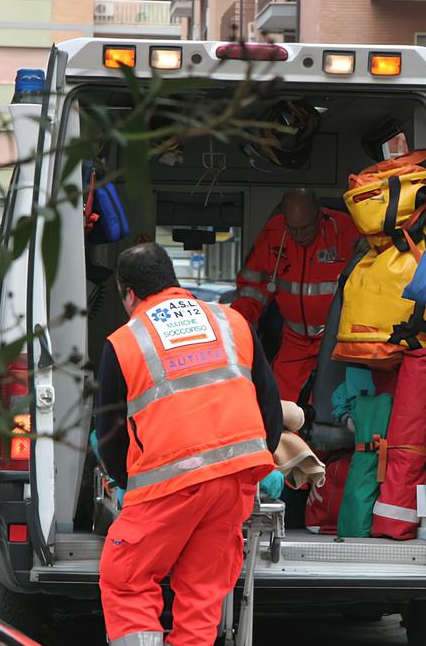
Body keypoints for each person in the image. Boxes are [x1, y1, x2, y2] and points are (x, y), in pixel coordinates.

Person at [94, 243, 283, 646]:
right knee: (201, 595)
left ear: (129, 293)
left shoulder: (125, 342)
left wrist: (128, 483)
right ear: (172, 279)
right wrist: (251, 469)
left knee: (125, 578)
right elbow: (269, 404)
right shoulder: (231, 321)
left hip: (167, 483)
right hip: (233, 481)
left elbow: (109, 432)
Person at [231, 188, 360, 399]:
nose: (300, 235)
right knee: (281, 401)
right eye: (293, 229)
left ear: (319, 215)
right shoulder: (274, 233)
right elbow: (252, 290)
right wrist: (237, 332)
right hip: (294, 341)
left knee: (331, 401)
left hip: (334, 339)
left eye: (306, 227)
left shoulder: (346, 229)